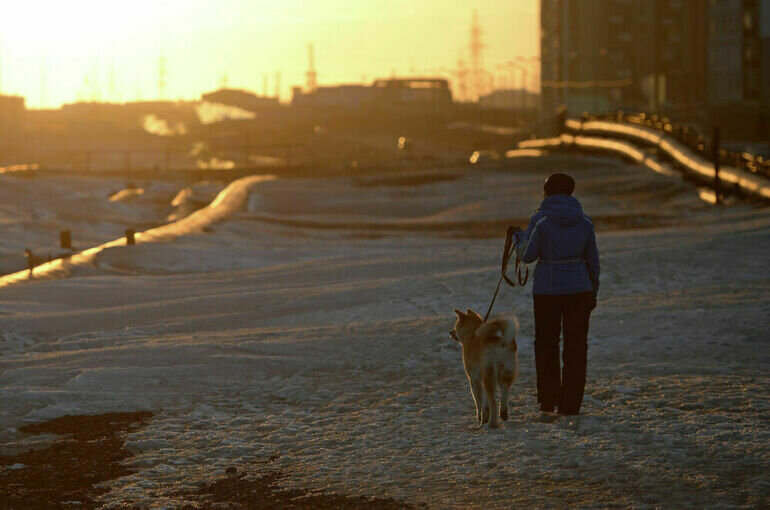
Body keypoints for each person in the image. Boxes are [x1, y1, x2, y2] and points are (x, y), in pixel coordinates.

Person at [512, 173, 599, 416]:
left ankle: (548, 400)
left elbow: (527, 255)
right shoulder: (585, 222)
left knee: (547, 345)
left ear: (547, 192)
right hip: (580, 290)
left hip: (547, 291)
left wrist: (519, 238)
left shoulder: (540, 220)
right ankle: (571, 405)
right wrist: (593, 292)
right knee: (576, 347)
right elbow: (593, 261)